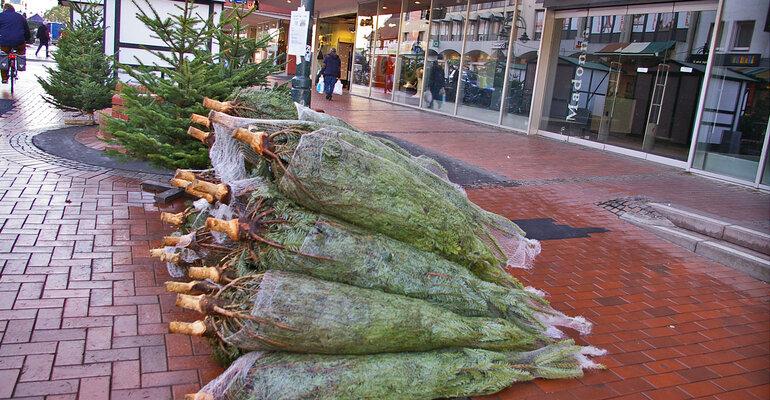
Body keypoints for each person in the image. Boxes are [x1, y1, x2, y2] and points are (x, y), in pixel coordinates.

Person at [0, 3, 30, 84]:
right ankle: (20, 64)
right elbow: (26, 29)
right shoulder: (20, 17)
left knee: (3, 56)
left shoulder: (1, 16)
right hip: (19, 41)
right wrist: (27, 39)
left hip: (5, 41)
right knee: (21, 51)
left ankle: (4, 78)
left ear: (5, 8)